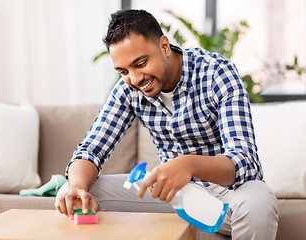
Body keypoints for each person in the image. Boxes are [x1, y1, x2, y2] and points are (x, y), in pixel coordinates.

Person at [55, 9, 279, 239]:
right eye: (123, 71)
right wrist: (77, 187)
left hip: (229, 194)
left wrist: (187, 165)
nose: (134, 79)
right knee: (72, 193)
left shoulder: (216, 73)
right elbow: (91, 149)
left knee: (258, 204)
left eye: (140, 63)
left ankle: (206, 226)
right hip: (175, 198)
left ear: (164, 45)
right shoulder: (129, 89)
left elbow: (246, 162)